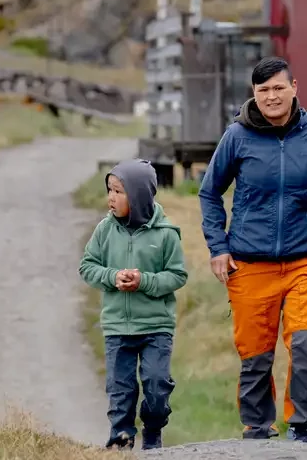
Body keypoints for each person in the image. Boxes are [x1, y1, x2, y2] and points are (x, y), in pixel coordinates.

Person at [198, 56, 307, 443]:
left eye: (278, 88)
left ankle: (301, 425)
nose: (271, 96)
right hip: (250, 263)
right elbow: (209, 193)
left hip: (305, 262)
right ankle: (257, 426)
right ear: (254, 94)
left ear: (294, 88)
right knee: (255, 354)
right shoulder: (236, 137)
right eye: (263, 90)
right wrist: (218, 247)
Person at [79, 159, 189, 451]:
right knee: (120, 389)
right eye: (109, 190)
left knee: (156, 386)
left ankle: (153, 431)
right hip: (118, 326)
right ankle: (121, 438)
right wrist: (112, 276)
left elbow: (177, 275)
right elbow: (87, 266)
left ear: (139, 195)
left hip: (156, 326)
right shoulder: (104, 230)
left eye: (118, 191)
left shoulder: (166, 234)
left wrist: (145, 281)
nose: (110, 198)